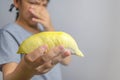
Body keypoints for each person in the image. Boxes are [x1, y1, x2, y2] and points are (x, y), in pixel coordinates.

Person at [0, 0, 71, 80]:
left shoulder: (46, 32)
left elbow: (67, 60)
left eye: (44, 5)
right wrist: (26, 70)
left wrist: (49, 27)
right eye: (33, 3)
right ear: (17, 2)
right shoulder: (8, 33)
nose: (39, 10)